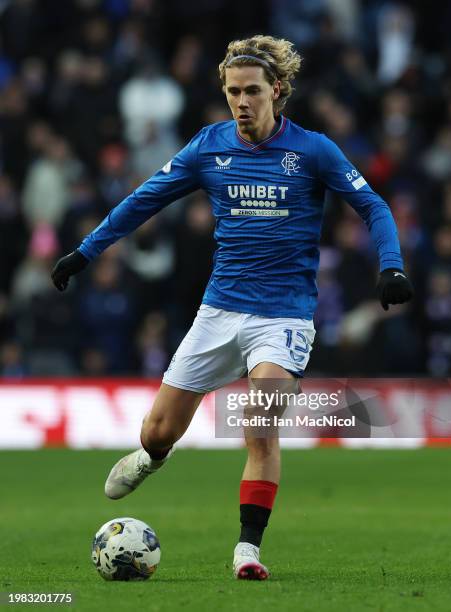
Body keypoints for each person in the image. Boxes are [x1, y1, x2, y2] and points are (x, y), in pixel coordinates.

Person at [51, 35, 413, 580]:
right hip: (218, 312)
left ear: (278, 91)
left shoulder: (313, 151)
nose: (241, 102)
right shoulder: (208, 147)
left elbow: (372, 203)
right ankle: (152, 457)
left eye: (252, 92)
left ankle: (248, 549)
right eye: (232, 92)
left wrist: (391, 265)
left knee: (260, 419)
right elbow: (143, 200)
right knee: (157, 432)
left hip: (284, 316)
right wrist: (85, 251)